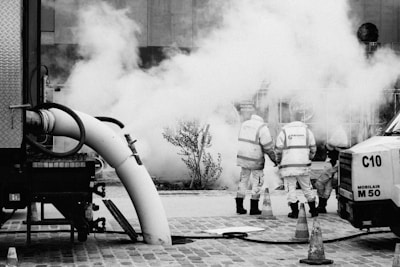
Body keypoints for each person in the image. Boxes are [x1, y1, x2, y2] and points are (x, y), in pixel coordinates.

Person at [275, 113, 317, 218]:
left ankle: (294, 211)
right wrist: (309, 157)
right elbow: (313, 149)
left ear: (290, 120)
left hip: (288, 165)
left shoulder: (284, 132)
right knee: (307, 187)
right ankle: (313, 210)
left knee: (291, 188)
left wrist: (278, 161)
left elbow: (278, 150)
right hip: (303, 165)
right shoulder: (308, 132)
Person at [236, 113, 276, 215]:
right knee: (257, 182)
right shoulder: (262, 127)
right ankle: (254, 208)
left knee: (243, 180)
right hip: (255, 159)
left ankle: (239, 207)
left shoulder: (244, 124)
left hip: (242, 158)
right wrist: (275, 160)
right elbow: (268, 147)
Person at [315, 127, 349, 213]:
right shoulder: (341, 133)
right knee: (328, 186)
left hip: (332, 164)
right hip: (335, 163)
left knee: (320, 183)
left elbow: (330, 145)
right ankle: (322, 205)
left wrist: (328, 144)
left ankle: (322, 205)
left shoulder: (338, 132)